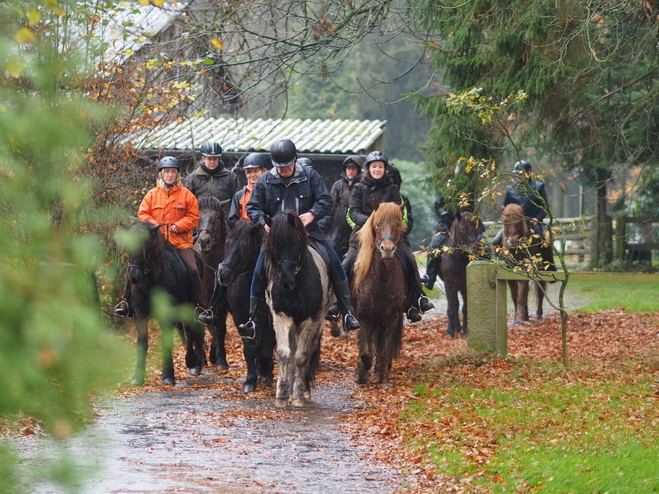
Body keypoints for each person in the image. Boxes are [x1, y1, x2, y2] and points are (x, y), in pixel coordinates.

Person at [243, 138, 360, 333]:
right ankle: (252, 319)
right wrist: (263, 223)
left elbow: (326, 200)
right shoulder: (264, 181)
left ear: (295, 159)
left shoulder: (310, 176)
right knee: (258, 270)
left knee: (335, 263)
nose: (282, 170)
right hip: (276, 238)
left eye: (286, 166)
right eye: (279, 167)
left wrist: (313, 213)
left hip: (309, 233)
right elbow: (253, 207)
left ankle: (347, 312)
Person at [345, 151, 434, 323]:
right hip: (362, 236)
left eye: (380, 166)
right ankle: (342, 305)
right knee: (346, 263)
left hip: (389, 236)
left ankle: (417, 299)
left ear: (384, 169)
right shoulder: (358, 188)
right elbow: (353, 211)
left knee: (410, 260)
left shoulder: (392, 189)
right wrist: (370, 222)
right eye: (374, 166)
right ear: (368, 169)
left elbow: (397, 213)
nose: (377, 169)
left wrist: (385, 225)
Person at [114, 156, 204, 316]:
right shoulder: (151, 195)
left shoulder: (187, 195)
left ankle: (199, 307)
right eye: (167, 172)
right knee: (134, 266)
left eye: (173, 172)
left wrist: (180, 224)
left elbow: (194, 216)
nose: (170, 175)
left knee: (193, 270)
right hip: (155, 244)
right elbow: (143, 214)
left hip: (180, 243)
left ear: (177, 175)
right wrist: (155, 226)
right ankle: (126, 302)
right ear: (162, 174)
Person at [493, 160, 556, 270]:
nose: (519, 176)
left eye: (521, 173)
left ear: (528, 173)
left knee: (545, 239)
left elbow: (545, 207)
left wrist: (537, 219)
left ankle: (549, 268)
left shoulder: (538, 186)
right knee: (496, 241)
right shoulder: (510, 188)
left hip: (533, 222)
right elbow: (505, 207)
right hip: (514, 224)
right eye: (517, 173)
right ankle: (500, 266)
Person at [318, 155, 363, 250]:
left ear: (358, 170)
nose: (350, 171)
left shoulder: (363, 185)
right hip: (339, 223)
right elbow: (331, 206)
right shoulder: (338, 185)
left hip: (357, 221)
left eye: (353, 169)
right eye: (348, 168)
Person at [184, 141, 240, 216]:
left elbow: (237, 202)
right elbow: (186, 204)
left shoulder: (231, 177)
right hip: (201, 224)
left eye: (215, 159)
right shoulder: (192, 179)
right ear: (203, 159)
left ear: (219, 159)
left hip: (226, 223)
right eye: (209, 159)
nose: (212, 162)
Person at [421, 196, 454, 289]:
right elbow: (438, 205)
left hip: (465, 224)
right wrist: (444, 213)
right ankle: (430, 277)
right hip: (447, 226)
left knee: (480, 244)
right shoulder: (445, 190)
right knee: (433, 247)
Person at [227, 153, 268, 225]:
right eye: (249, 172)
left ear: (263, 171)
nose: (252, 175)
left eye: (256, 171)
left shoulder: (270, 191)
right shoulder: (239, 195)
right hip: (245, 233)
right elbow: (232, 219)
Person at [387, 163, 414, 247]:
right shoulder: (371, 194)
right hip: (374, 237)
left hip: (399, 238)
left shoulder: (403, 199)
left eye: (391, 180)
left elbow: (408, 220)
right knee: (349, 260)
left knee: (411, 259)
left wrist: (399, 233)